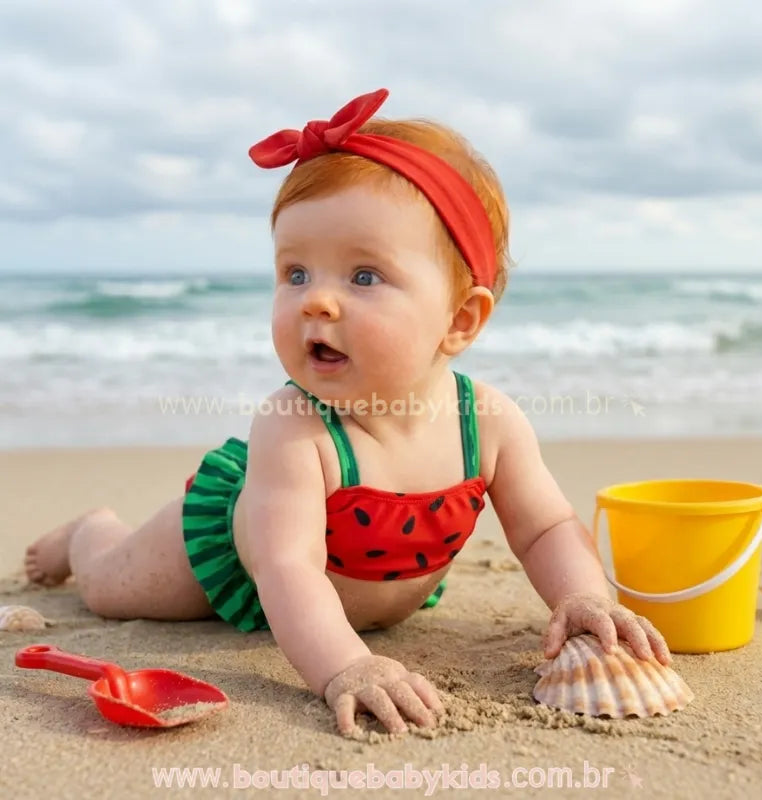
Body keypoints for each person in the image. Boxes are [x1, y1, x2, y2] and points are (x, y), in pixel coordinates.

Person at [24, 89, 671, 737]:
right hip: (237, 561)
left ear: (460, 319)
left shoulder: (489, 421)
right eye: (295, 273)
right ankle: (87, 530)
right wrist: (345, 666)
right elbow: (288, 568)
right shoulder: (293, 426)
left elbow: (546, 528)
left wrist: (583, 597)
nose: (316, 303)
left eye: (363, 277)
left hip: (368, 593)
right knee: (111, 587)